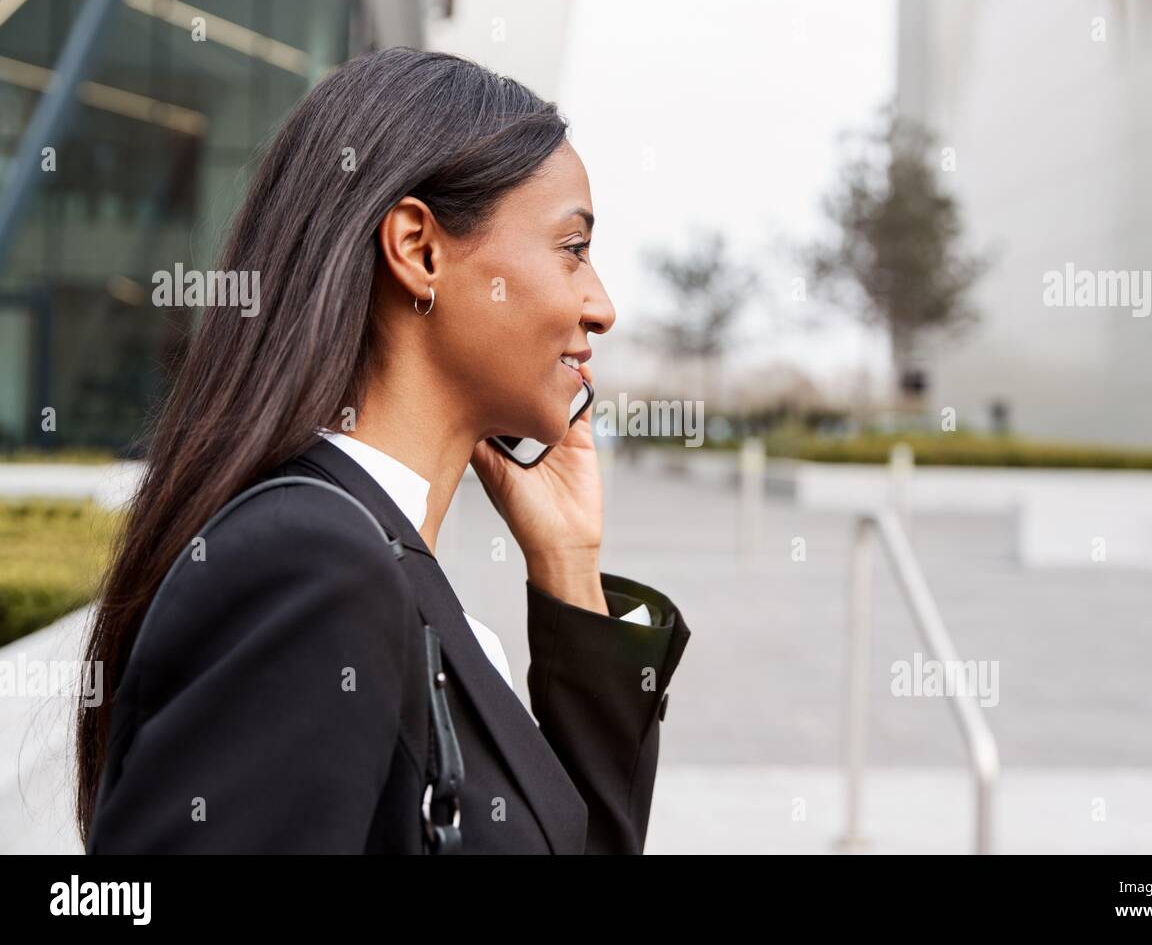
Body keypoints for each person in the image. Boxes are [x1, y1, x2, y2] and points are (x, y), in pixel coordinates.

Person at [76, 47, 691, 854]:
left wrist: (569, 571)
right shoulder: (310, 564)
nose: (601, 306)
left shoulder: (370, 554)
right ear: (419, 249)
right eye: (572, 248)